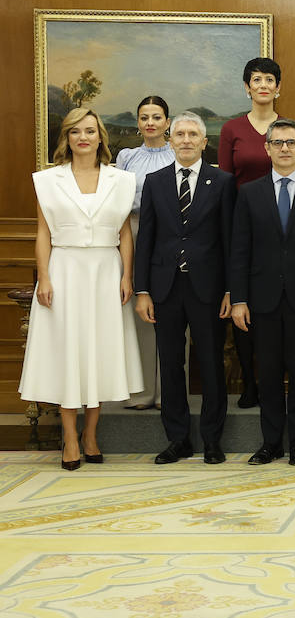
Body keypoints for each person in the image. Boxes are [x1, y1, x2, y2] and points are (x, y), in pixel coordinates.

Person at [21, 108, 142, 470]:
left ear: (100, 137)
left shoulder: (121, 180)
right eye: (76, 132)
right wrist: (44, 276)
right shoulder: (47, 180)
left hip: (106, 271)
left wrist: (126, 277)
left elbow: (124, 233)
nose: (83, 137)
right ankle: (70, 437)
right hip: (65, 270)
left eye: (90, 130)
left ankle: (91, 434)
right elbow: (43, 232)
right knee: (68, 350)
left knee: (98, 350)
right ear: (67, 139)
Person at [230, 118, 295, 466]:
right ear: (267, 149)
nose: (285, 148)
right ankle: (270, 443)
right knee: (270, 374)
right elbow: (240, 249)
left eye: (291, 142)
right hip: (262, 300)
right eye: (278, 143)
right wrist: (239, 299)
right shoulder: (249, 193)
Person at [134, 112, 236, 465]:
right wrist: (142, 291)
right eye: (180, 134)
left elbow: (230, 241)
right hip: (164, 288)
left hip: (208, 289)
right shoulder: (155, 181)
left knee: (209, 363)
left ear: (204, 142)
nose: (187, 139)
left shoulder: (222, 182)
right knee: (171, 364)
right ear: (171, 140)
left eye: (194, 134)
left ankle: (211, 439)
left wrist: (229, 291)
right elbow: (145, 239)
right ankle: (177, 439)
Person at [219, 57, 295, 410]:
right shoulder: (232, 129)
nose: (263, 85)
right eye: (256, 79)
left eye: (269, 79)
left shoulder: (287, 131)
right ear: (247, 87)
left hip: (281, 230)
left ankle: (278, 383)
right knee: (243, 304)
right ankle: (249, 384)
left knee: (278, 308)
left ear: (278, 87)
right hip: (241, 227)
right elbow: (223, 182)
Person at [116, 94, 175, 410]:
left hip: (171, 234)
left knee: (172, 310)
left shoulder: (178, 153)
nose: (150, 123)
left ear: (168, 121)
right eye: (144, 117)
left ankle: (169, 392)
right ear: (138, 123)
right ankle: (142, 391)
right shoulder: (126, 157)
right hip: (134, 232)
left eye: (156, 117)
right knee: (140, 309)